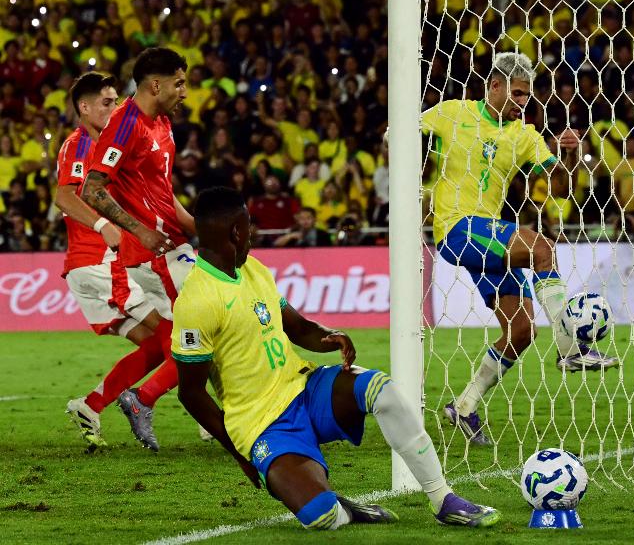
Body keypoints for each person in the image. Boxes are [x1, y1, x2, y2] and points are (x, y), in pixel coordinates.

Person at [171, 186, 499, 529]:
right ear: (237, 231)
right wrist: (239, 451)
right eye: (249, 225)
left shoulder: (254, 270)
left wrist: (330, 338)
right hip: (262, 426)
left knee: (380, 389)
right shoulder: (197, 300)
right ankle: (342, 507)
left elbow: (296, 327)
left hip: (304, 388)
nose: (252, 233)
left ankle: (443, 498)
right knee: (322, 517)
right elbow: (190, 392)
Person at [421, 52, 618, 445]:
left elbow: (559, 186)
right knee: (542, 249)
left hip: (491, 237)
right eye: (517, 94)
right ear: (494, 85)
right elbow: (403, 135)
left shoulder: (524, 135)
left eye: (527, 96)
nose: (522, 102)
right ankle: (572, 346)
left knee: (521, 331)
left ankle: (463, 407)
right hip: (456, 228)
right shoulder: (451, 112)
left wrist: (570, 154)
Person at [82, 47, 195, 451]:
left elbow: (164, 195)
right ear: (156, 84)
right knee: (203, 333)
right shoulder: (124, 125)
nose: (185, 91)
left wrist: (200, 228)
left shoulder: (163, 122)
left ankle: (116, 400)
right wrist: (140, 232)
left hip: (174, 245)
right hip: (156, 254)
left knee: (188, 336)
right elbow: (91, 189)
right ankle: (142, 399)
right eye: (179, 83)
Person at [58, 72, 168, 448]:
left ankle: (90, 405)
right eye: (106, 102)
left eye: (115, 100)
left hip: (96, 267)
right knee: (179, 339)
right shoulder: (79, 144)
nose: (113, 107)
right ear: (84, 107)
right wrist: (105, 224)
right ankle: (215, 416)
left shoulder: (111, 144)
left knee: (156, 346)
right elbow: (65, 196)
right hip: (100, 263)